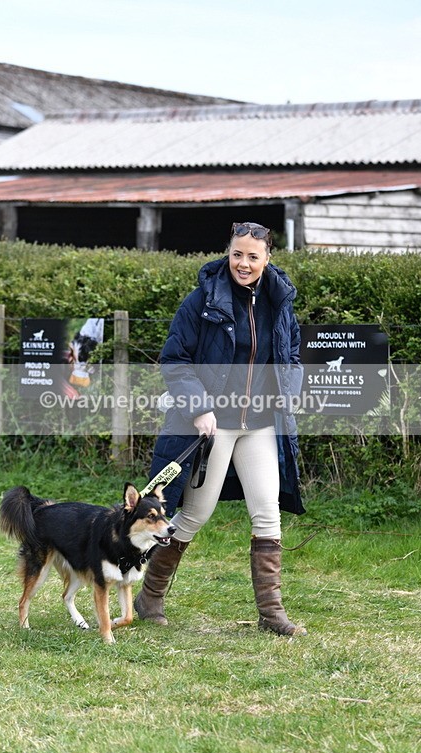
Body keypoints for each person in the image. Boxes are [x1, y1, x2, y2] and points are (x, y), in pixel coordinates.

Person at [134, 222, 307, 636]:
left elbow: (293, 353)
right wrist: (199, 407)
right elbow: (175, 359)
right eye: (237, 254)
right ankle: (150, 597)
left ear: (268, 259)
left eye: (252, 256)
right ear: (227, 253)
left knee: (268, 514)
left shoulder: (280, 302)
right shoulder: (201, 301)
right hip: (214, 426)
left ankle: (271, 613)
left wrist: (290, 389)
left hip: (261, 423)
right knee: (193, 515)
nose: (243, 264)